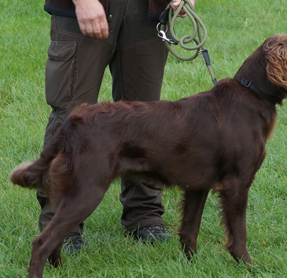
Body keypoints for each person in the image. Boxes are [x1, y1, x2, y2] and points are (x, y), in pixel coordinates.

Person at [37, 0, 196, 253]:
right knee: (72, 117)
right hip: (84, 10)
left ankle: (145, 215)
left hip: (148, 11)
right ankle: (61, 222)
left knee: (146, 116)